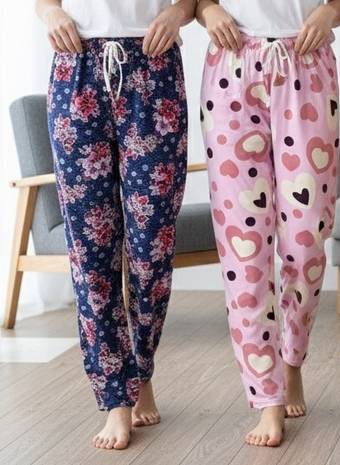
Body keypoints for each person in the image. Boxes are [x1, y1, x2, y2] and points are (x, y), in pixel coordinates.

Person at [37, 0, 195, 450]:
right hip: (77, 67)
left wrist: (177, 14)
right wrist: (50, 13)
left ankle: (139, 371)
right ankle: (116, 400)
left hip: (153, 65)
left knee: (152, 250)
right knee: (91, 254)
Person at [196, 0, 340, 448]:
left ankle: (292, 358)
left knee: (307, 239)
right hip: (231, 68)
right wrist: (208, 11)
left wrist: (329, 13)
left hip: (305, 63)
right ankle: (267, 397)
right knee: (242, 249)